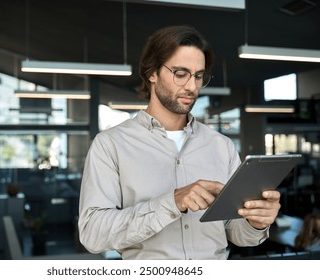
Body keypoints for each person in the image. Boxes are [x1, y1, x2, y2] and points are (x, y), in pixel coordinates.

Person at [78, 25, 281, 260]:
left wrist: (256, 222)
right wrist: (172, 202)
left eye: (198, 76)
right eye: (180, 73)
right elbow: (93, 234)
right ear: (152, 72)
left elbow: (234, 232)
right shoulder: (110, 145)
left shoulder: (221, 146)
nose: (192, 87)